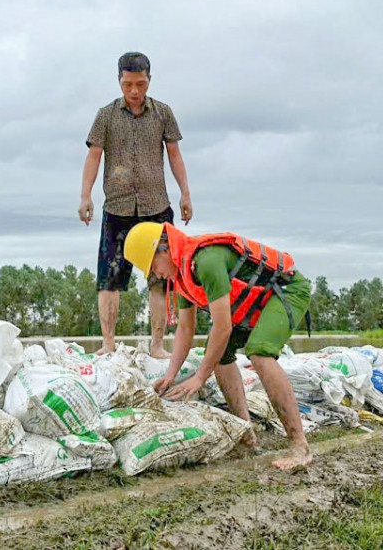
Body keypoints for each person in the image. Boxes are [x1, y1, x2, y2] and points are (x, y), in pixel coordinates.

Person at [123, 221, 313, 471]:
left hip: (286, 291)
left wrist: (200, 377)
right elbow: (185, 329)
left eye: (152, 267)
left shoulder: (206, 261)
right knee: (221, 354)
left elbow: (222, 327)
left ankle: (300, 445)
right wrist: (170, 376)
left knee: (259, 352)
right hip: (255, 304)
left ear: (164, 249)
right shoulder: (182, 276)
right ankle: (245, 434)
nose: (156, 276)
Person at [79, 52, 193, 358]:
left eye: (140, 84)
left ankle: (157, 345)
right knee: (109, 278)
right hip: (117, 207)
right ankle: (108, 344)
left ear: (149, 81)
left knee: (160, 279)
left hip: (156, 207)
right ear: (119, 81)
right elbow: (94, 156)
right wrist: (85, 195)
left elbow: (174, 154)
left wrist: (185, 193)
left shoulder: (163, 113)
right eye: (128, 84)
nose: (134, 91)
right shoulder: (105, 115)